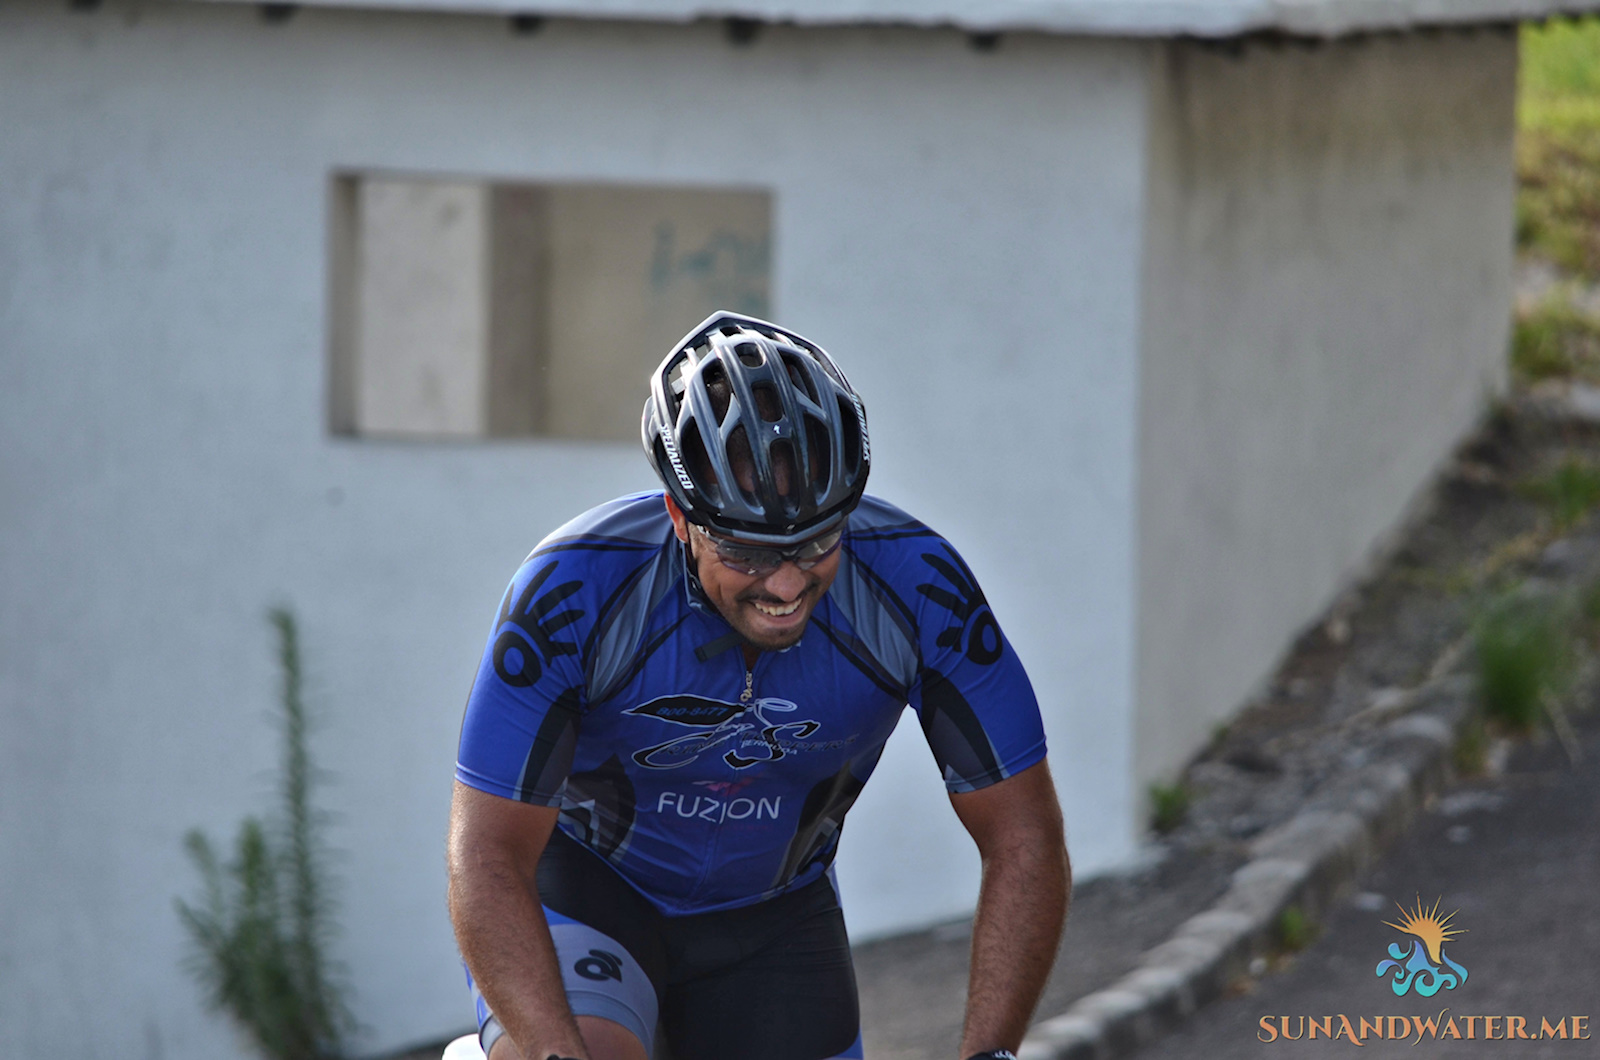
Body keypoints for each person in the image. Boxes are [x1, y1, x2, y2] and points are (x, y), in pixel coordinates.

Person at [447, 312, 1069, 1060]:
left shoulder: (918, 587)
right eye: (746, 548)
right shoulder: (575, 587)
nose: (784, 583)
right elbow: (485, 855)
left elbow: (1024, 833)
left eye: (815, 541)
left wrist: (990, 1056)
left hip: (776, 920)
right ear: (681, 516)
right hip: (594, 894)